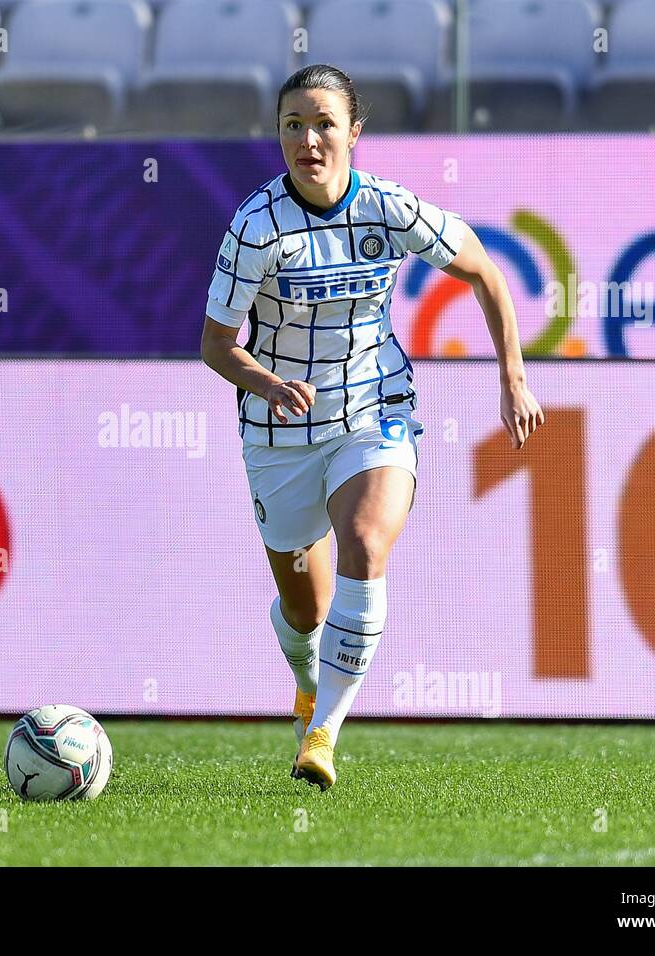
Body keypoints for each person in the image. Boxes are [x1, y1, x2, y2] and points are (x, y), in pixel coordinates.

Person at [200, 64, 545, 790]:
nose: (308, 139)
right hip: (280, 432)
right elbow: (214, 344)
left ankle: (322, 734)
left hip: (374, 411)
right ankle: (306, 682)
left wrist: (512, 375)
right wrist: (266, 382)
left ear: (354, 133)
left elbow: (484, 271)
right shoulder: (256, 225)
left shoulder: (389, 209)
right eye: (293, 125)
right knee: (305, 609)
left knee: (364, 543)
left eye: (324, 123)